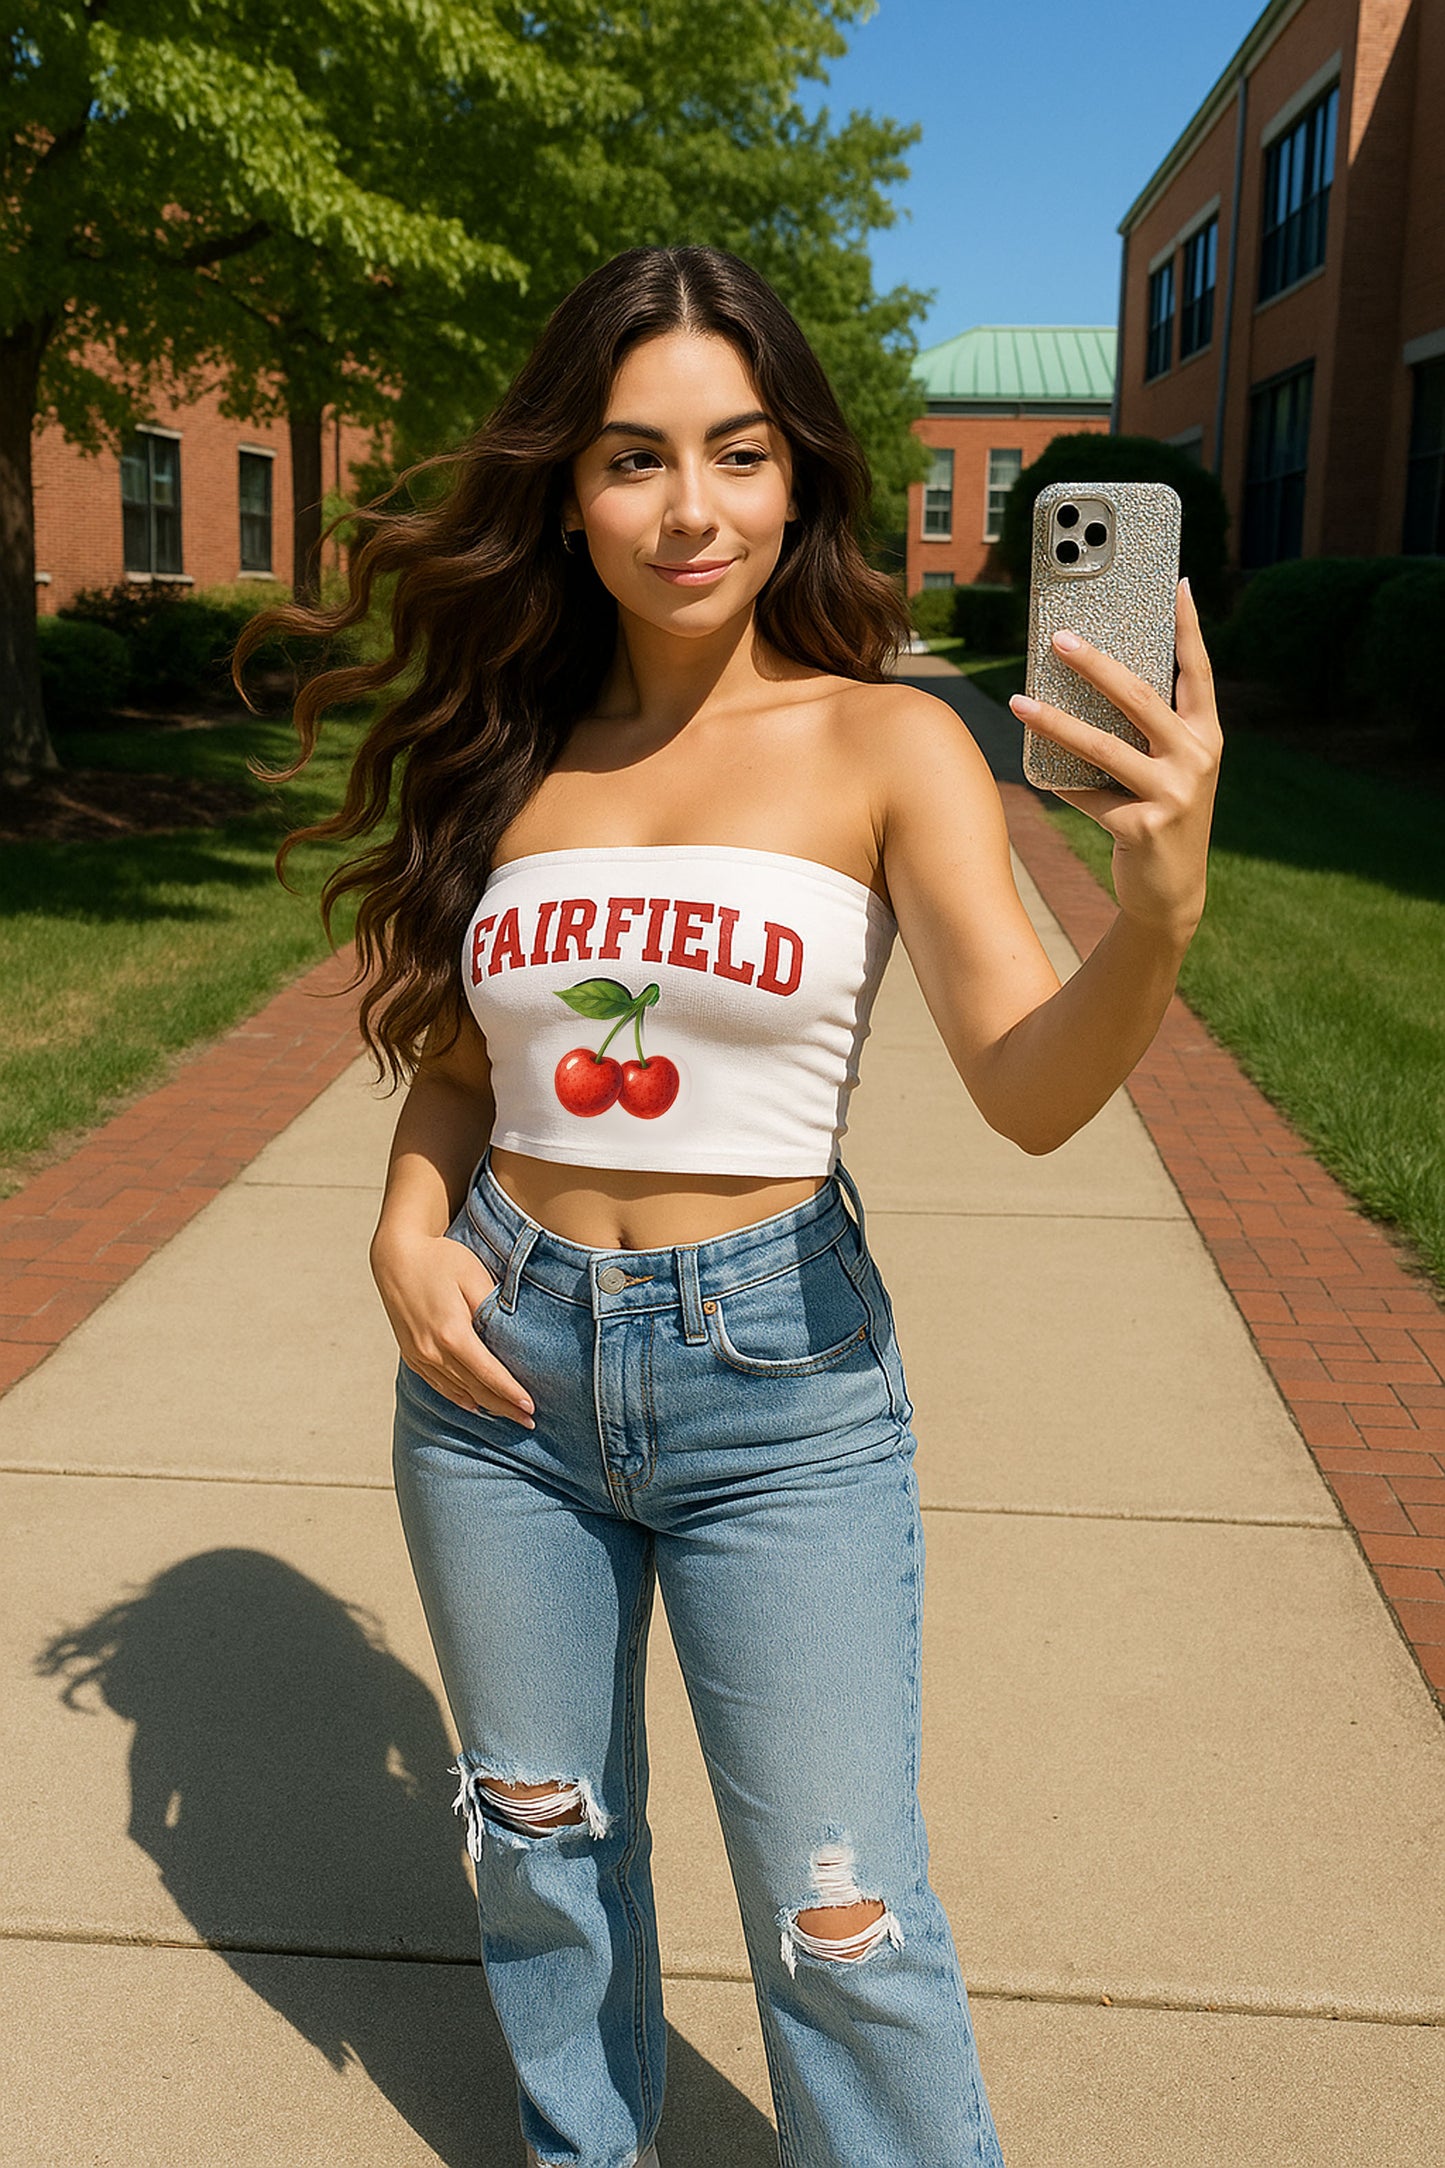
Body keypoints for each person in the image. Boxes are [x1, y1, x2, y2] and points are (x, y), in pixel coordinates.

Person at [240, 244, 1221, 2168]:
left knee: (837, 1916)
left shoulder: (886, 742)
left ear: (797, 478)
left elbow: (1026, 1091)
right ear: (567, 487)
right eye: (632, 458)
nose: (690, 510)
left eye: (737, 452)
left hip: (775, 1382)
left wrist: (1159, 914)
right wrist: (401, 1220)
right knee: (535, 1850)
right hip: (498, 1378)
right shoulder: (515, 748)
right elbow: (465, 1052)